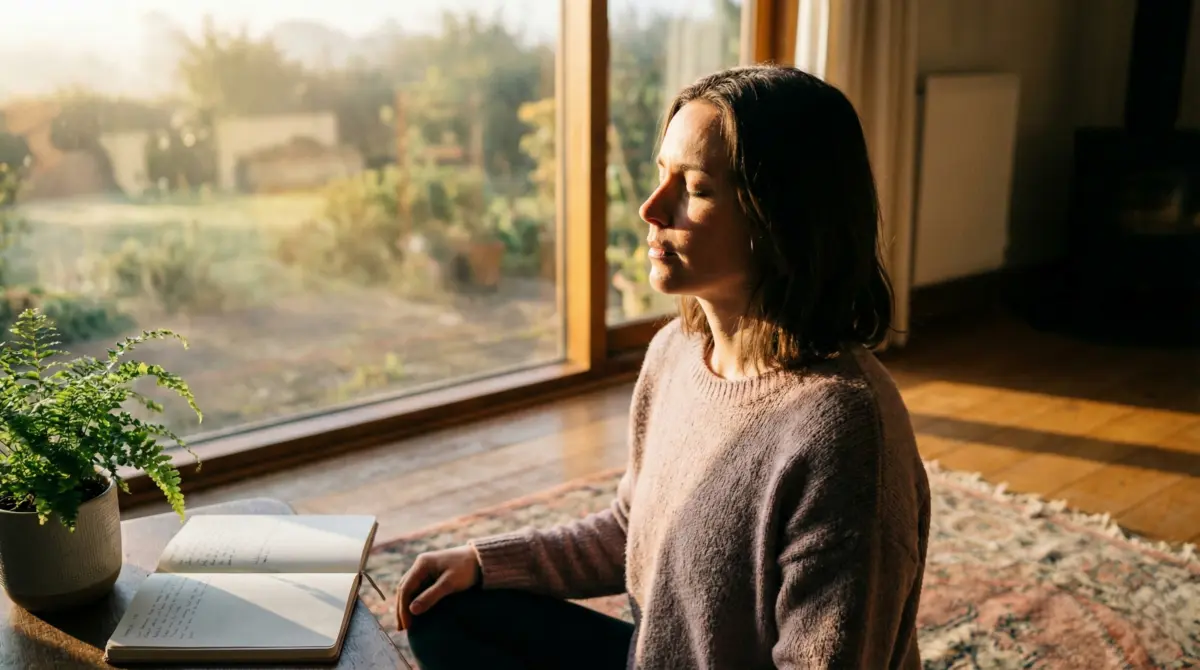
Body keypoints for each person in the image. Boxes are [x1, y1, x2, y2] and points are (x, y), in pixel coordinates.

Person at [395, 64, 931, 670]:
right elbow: (636, 530)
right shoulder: (674, 352)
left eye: (696, 188)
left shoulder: (845, 433)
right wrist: (486, 562)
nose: (652, 209)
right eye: (660, 175)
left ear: (782, 215)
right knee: (446, 613)